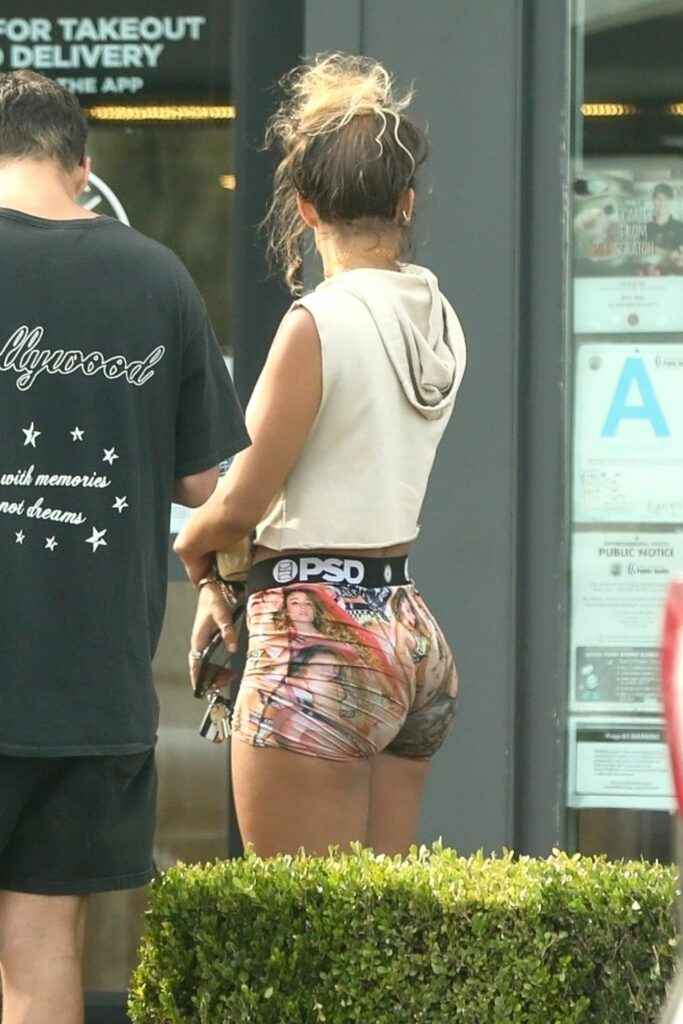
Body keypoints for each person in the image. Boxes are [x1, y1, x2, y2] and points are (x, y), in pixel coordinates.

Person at [0, 71, 249, 1024]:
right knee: (42, 942)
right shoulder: (156, 277)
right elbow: (203, 486)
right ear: (82, 166)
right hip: (87, 687)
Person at [175, 53, 466, 858]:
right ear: (405, 202)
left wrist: (192, 544)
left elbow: (241, 501)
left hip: (317, 637)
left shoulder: (317, 322)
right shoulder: (438, 316)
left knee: (298, 915)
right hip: (406, 627)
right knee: (384, 913)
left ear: (304, 208)